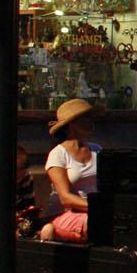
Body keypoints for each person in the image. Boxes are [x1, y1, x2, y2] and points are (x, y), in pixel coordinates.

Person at [39, 99, 102, 243]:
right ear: (72, 123)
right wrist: (97, 207)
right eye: (86, 117)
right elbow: (65, 198)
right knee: (97, 223)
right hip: (66, 213)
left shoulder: (97, 149)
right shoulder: (58, 154)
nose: (91, 120)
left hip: (96, 210)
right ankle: (52, 230)